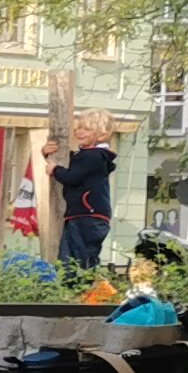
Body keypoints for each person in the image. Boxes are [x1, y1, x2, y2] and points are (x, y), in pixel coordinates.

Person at [52, 111, 119, 270]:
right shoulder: (88, 155)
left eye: (86, 129)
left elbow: (73, 177)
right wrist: (48, 153)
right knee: (69, 257)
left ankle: (85, 288)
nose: (79, 131)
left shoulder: (92, 156)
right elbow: (72, 162)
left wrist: (55, 170)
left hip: (87, 215)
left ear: (102, 134)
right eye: (78, 128)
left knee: (80, 258)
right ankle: (72, 288)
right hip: (85, 215)